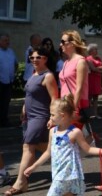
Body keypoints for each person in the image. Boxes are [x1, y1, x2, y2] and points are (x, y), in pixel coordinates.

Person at [23, 95, 102, 196]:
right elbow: (48, 152)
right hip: (57, 172)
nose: (50, 118)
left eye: (52, 115)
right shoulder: (53, 132)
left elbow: (87, 149)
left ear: (62, 116)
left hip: (68, 174)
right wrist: (33, 166)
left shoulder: (75, 132)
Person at [3, 48, 58, 196]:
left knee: (27, 147)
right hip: (29, 117)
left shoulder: (48, 76)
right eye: (31, 57)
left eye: (38, 57)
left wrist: (53, 116)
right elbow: (29, 94)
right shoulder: (34, 74)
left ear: (45, 59)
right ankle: (66, 157)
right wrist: (23, 108)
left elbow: (54, 98)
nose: (34, 60)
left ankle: (20, 183)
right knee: (40, 147)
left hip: (40, 117)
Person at [59, 30, 89, 124]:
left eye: (63, 42)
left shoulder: (80, 61)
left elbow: (79, 88)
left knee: (76, 135)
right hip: (65, 104)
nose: (60, 44)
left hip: (76, 105)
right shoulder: (66, 62)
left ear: (72, 44)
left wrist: (74, 110)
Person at [0, 33, 18, 127]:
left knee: (6, 102)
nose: (7, 42)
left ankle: (4, 120)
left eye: (8, 40)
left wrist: (13, 73)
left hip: (9, 81)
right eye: (5, 40)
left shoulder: (11, 51)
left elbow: (16, 64)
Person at [86, 44, 102, 119]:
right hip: (91, 79)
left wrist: (99, 68)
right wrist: (101, 68)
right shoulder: (88, 58)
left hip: (97, 79)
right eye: (95, 49)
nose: (97, 51)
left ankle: (95, 114)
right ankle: (88, 114)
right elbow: (93, 69)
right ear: (91, 51)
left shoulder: (98, 58)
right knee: (89, 97)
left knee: (96, 97)